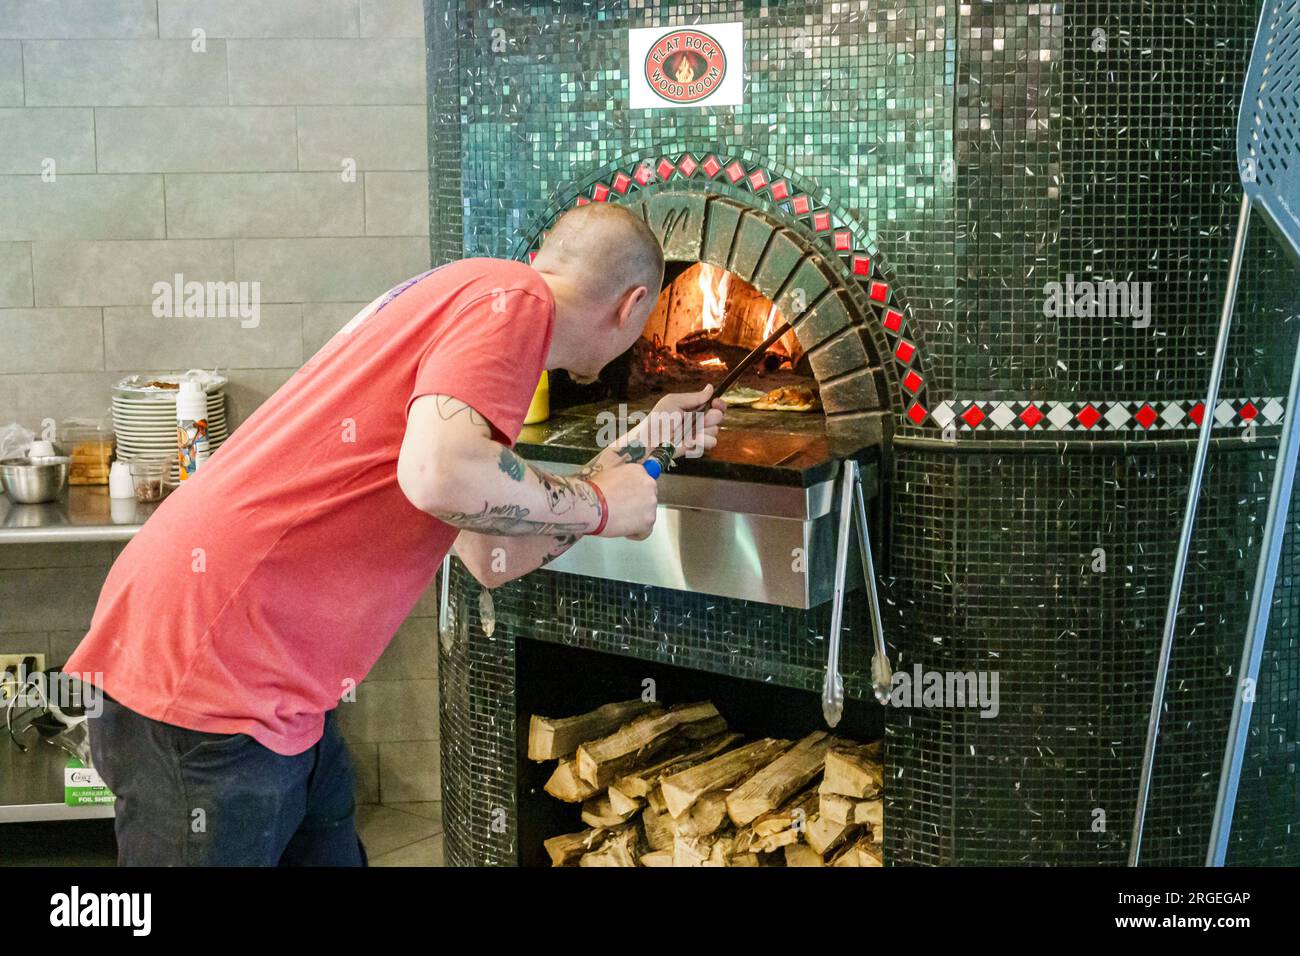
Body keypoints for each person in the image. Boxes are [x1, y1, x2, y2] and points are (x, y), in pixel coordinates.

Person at [64, 201, 726, 865]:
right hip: (207, 674)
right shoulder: (514, 299)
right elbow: (440, 474)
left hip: (280, 689)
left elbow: (491, 551)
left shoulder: (472, 296)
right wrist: (596, 506)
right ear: (634, 304)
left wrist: (636, 450)